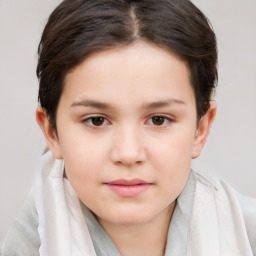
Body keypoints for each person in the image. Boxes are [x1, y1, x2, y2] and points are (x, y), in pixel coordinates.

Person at [1, 0, 255, 255]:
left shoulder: (246, 235)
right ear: (51, 132)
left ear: (200, 128)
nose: (128, 154)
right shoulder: (29, 246)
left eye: (158, 119)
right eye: (96, 120)